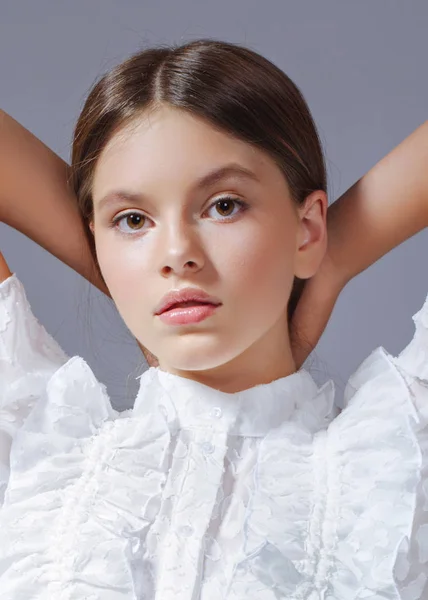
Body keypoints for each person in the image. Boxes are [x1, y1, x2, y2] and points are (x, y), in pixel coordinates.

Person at [0, 38, 427, 599]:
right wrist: (120, 271)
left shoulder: (396, 454)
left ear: (308, 227)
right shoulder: (38, 441)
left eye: (223, 205)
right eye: (131, 219)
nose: (177, 252)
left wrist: (331, 262)